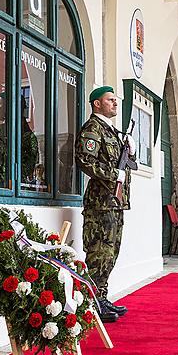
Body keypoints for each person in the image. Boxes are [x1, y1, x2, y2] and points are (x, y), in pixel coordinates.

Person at [75, 85, 137, 323]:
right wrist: (113, 174)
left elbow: (124, 163)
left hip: (115, 203)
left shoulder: (111, 131)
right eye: (110, 100)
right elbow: (84, 159)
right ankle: (92, 303)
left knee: (111, 253)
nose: (115, 103)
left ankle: (101, 297)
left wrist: (130, 152)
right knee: (99, 252)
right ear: (97, 104)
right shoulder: (93, 128)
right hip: (100, 204)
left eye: (115, 100)